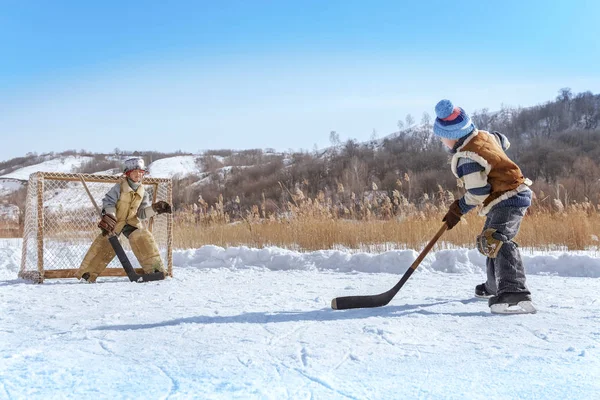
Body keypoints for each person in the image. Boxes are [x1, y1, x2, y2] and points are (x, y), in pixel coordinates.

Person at [433, 99, 536, 314]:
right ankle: (495, 285)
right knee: (488, 241)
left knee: (496, 239)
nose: (443, 142)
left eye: (443, 137)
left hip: (509, 196)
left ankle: (515, 291)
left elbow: (479, 192)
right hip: (505, 196)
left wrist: (458, 208)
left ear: (451, 136)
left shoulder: (467, 159)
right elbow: (502, 140)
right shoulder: (485, 136)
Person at [75, 157, 172, 283]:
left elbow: (142, 214)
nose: (138, 174)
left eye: (141, 172)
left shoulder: (144, 193)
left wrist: (155, 209)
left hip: (132, 222)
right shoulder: (119, 188)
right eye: (135, 172)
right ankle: (87, 274)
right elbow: (108, 202)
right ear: (127, 173)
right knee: (107, 242)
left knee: (143, 236)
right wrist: (110, 216)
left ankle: (156, 270)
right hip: (116, 221)